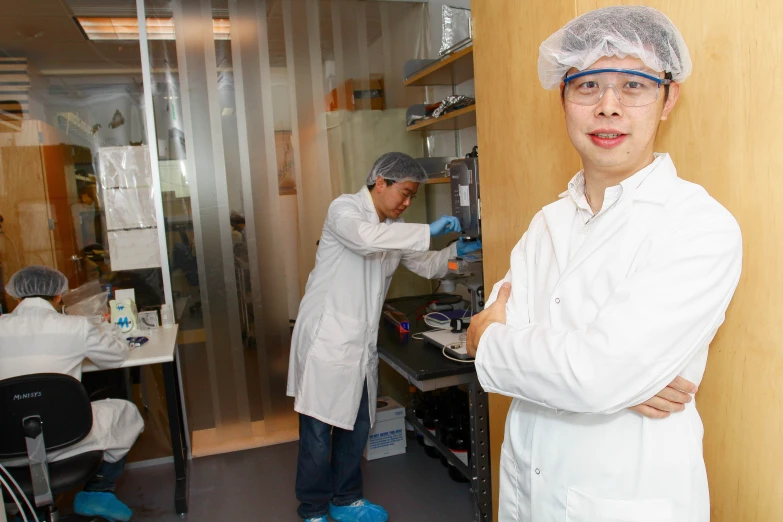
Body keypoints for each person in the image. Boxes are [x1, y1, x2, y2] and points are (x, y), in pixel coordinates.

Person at [465, 6, 742, 522]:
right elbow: (594, 372)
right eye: (587, 85)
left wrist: (491, 344)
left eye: (634, 86)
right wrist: (616, 379)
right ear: (564, 100)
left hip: (626, 499)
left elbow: (592, 374)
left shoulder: (699, 225)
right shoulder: (544, 225)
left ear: (667, 99)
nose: (608, 107)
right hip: (527, 493)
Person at [287, 152, 482, 522]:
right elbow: (366, 240)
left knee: (357, 423)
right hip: (327, 339)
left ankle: (346, 499)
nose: (406, 203)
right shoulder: (344, 211)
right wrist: (428, 230)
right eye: (404, 194)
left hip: (359, 342)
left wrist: (456, 252)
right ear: (380, 183)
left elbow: (424, 264)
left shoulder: (394, 225)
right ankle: (312, 509)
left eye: (411, 198)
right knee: (317, 431)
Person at [0, 266, 144, 522]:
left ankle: (23, 509)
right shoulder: (75, 327)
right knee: (126, 412)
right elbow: (116, 355)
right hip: (67, 440)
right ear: (58, 296)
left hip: (6, 447)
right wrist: (108, 327)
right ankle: (98, 492)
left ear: (15, 296)